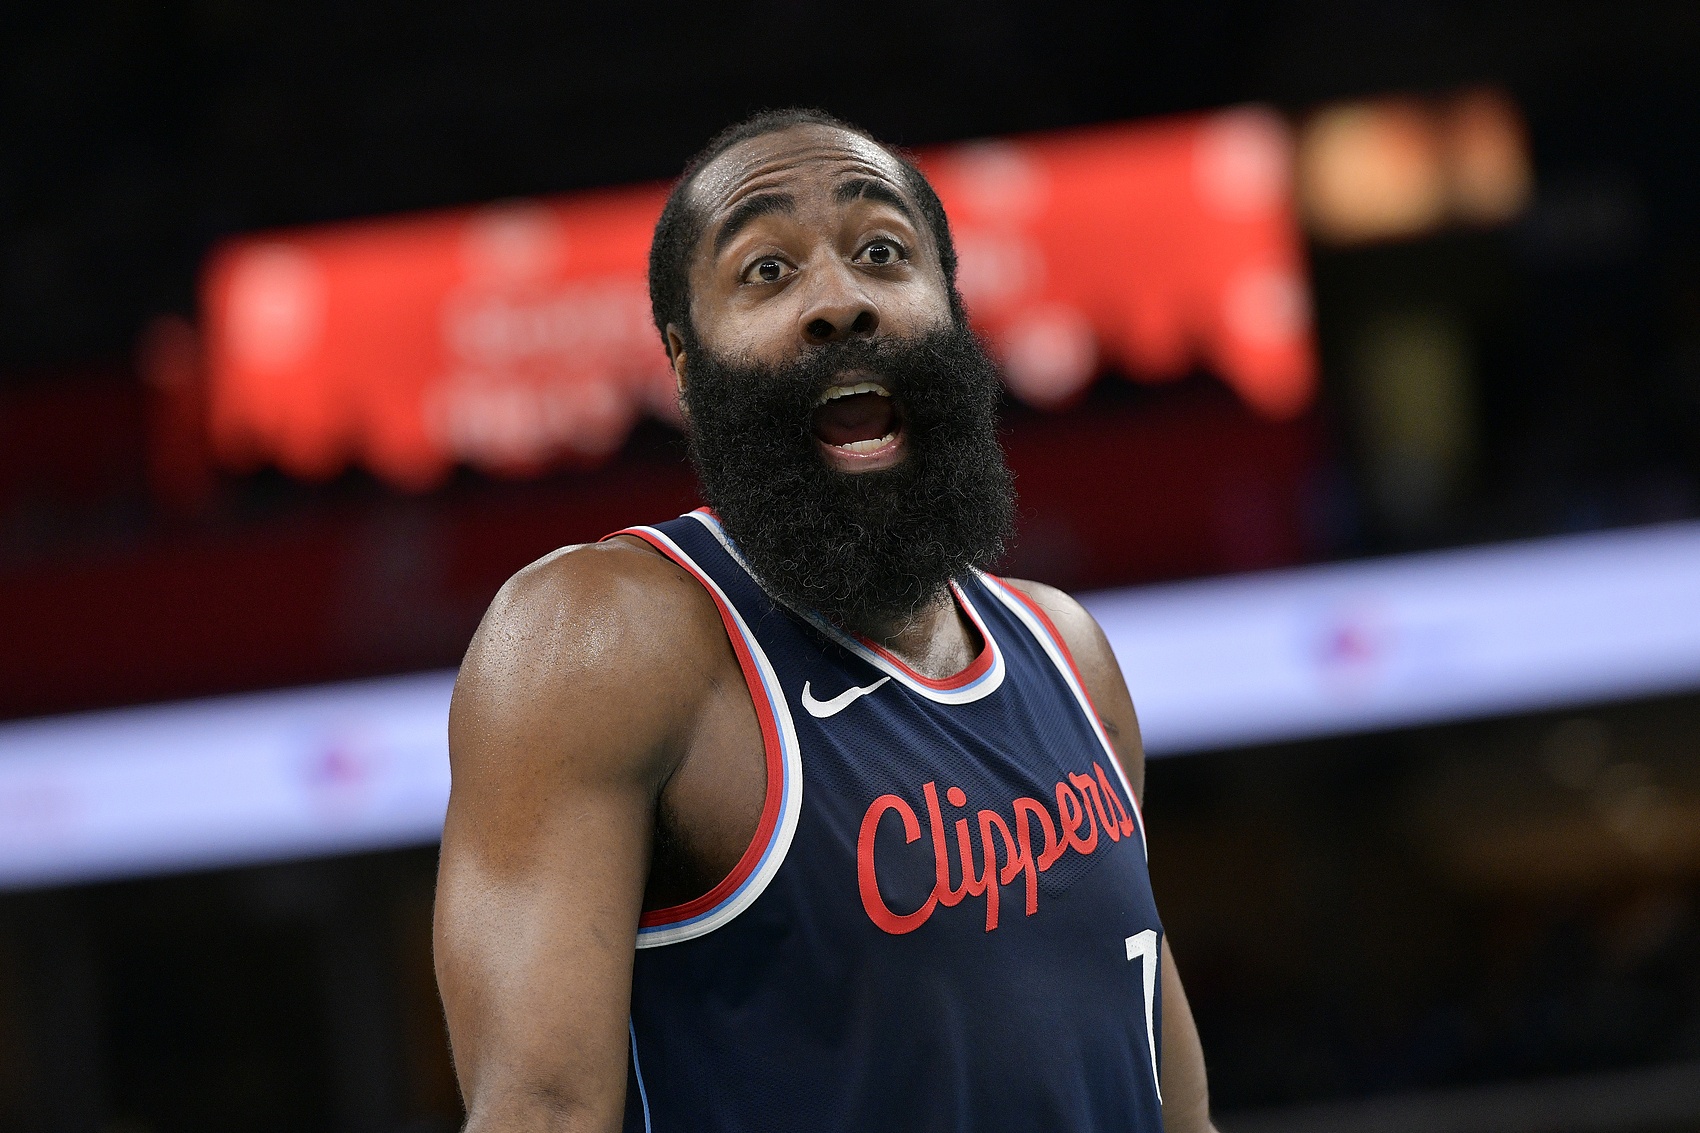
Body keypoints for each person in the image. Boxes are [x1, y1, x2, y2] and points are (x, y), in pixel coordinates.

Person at [434, 108, 1218, 1133]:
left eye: (882, 252)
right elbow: (537, 1114)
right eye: (766, 270)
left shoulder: (1066, 652)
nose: (839, 302)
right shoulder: (603, 638)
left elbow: (1178, 1111)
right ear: (684, 361)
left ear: (951, 307)